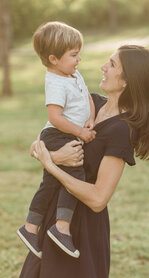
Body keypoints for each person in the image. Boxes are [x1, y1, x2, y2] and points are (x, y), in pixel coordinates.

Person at [13, 45, 149, 278]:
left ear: (126, 81)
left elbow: (99, 198)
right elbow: (40, 143)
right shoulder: (89, 103)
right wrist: (53, 157)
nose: (103, 67)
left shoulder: (122, 131)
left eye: (111, 64)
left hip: (80, 230)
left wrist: (52, 166)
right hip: (53, 217)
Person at [17, 21, 96, 259]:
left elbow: (87, 96)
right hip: (57, 133)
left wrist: (90, 118)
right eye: (73, 55)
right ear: (53, 59)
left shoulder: (71, 72)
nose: (78, 59)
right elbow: (55, 117)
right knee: (74, 173)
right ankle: (61, 227)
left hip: (67, 131)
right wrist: (81, 133)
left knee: (51, 182)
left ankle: (30, 228)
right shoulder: (55, 82)